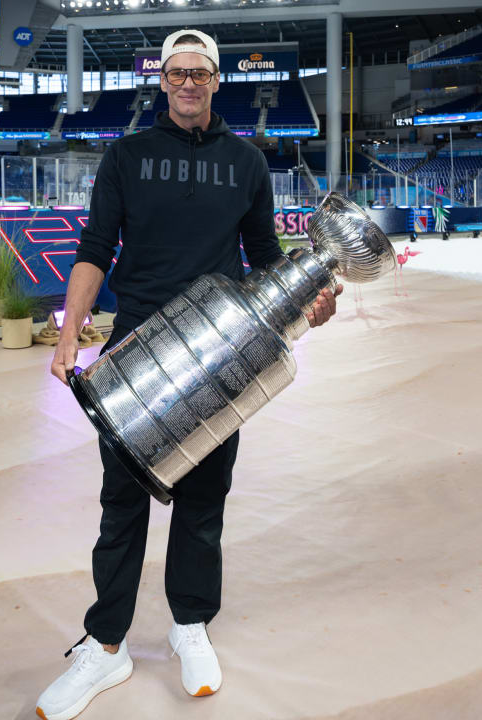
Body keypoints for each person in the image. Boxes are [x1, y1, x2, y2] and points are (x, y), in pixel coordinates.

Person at [38, 28, 342, 720]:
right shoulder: (128, 156)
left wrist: (309, 308)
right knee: (122, 506)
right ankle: (106, 645)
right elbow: (94, 249)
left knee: (204, 504)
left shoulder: (245, 163)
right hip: (137, 346)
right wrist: (67, 333)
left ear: (213, 81)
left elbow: (264, 256)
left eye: (198, 73)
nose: (186, 84)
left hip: (224, 350)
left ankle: (189, 627)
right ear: (163, 81)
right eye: (175, 73)